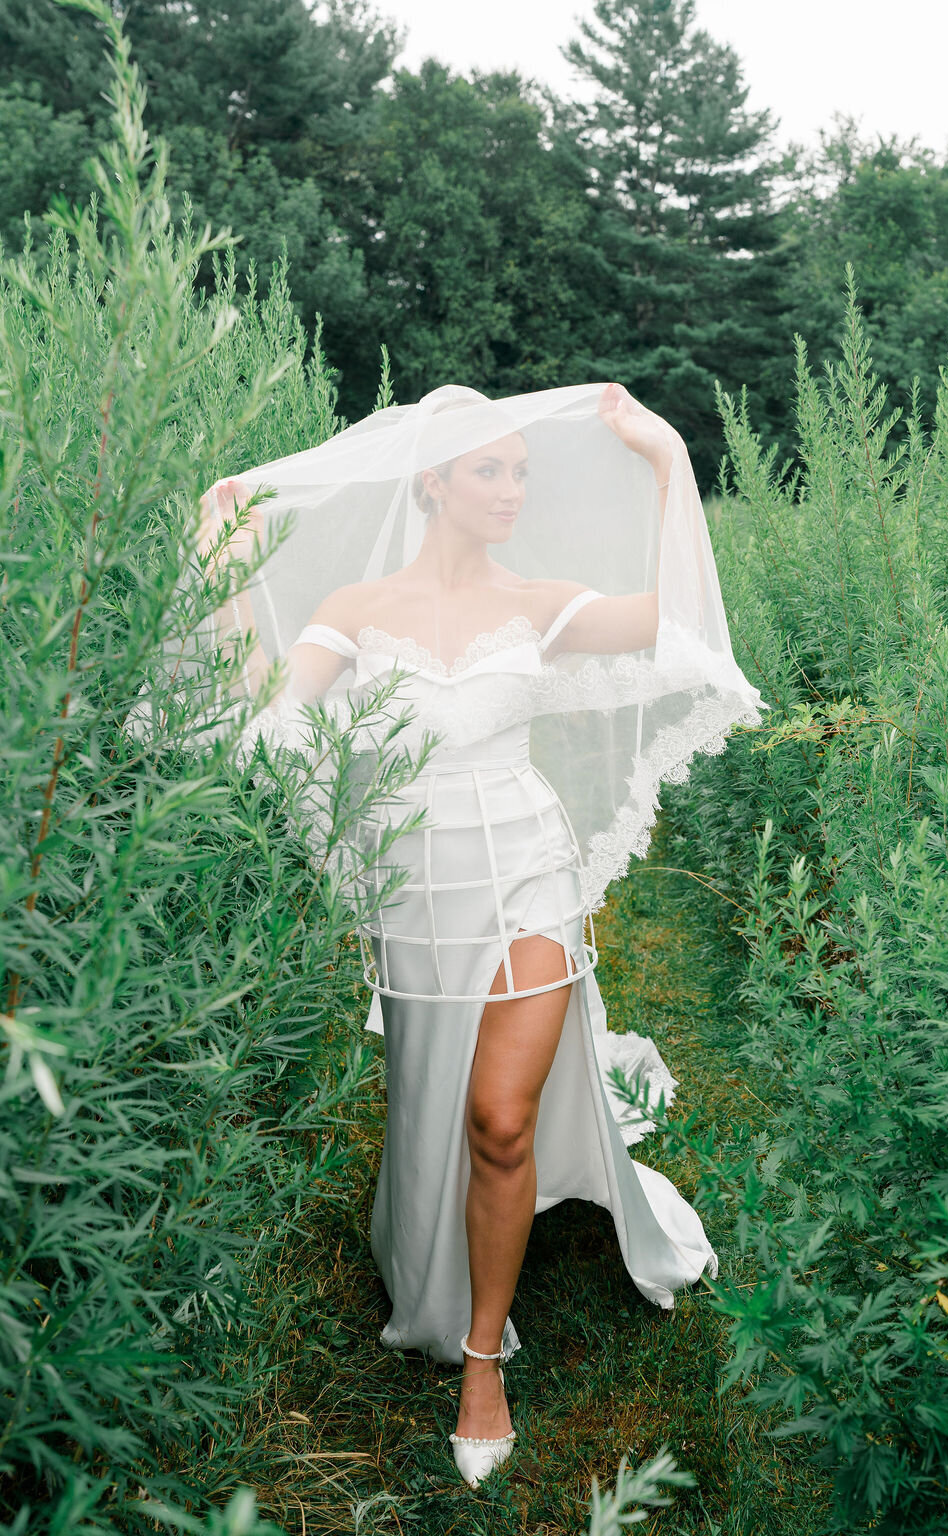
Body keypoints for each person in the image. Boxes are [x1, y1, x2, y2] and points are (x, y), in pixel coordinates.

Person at [190, 380, 763, 1489]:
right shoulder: (358, 609)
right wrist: (227, 567)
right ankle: (432, 1253)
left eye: (521, 472)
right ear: (432, 483)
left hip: (529, 873)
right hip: (415, 891)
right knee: (431, 1100)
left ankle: (483, 1358)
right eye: (488, 471)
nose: (511, 490)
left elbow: (681, 623)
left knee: (499, 1119)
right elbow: (268, 709)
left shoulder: (538, 604)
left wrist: (667, 458)